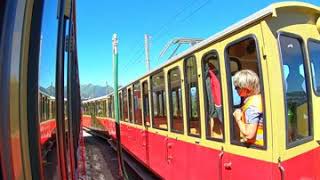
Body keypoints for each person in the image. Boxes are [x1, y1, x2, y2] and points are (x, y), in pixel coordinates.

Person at [232, 69, 263, 146]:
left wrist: (238, 119)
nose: (235, 89)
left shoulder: (251, 106)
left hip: (257, 147)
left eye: (237, 87)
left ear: (246, 88)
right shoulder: (259, 98)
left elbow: (249, 135)